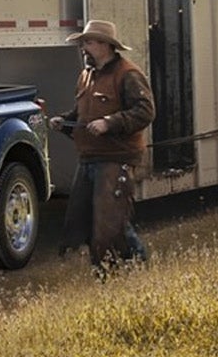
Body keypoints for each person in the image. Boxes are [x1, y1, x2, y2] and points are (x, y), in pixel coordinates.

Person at [48, 19, 155, 275]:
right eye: (84, 42)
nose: (84, 47)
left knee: (109, 222)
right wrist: (64, 121)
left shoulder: (128, 74)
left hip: (115, 158)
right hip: (89, 158)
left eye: (90, 42)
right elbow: (82, 114)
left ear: (106, 45)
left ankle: (133, 267)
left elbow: (145, 111)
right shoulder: (86, 75)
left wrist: (110, 123)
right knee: (88, 219)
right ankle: (117, 270)